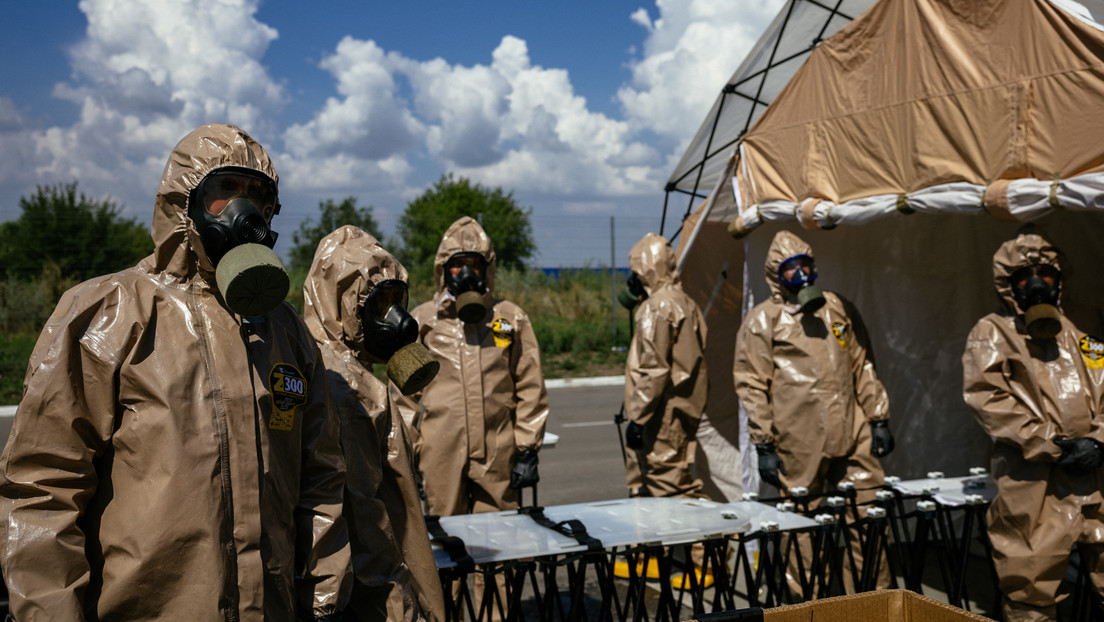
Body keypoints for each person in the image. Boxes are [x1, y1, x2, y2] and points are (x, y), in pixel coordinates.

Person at [0, 124, 351, 620]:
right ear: (182, 201)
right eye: (226, 190)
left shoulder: (287, 333)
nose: (243, 211)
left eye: (257, 196)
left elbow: (321, 479)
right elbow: (43, 487)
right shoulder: (109, 314)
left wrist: (325, 600)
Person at [733, 229, 893, 593]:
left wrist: (878, 416)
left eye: (807, 265)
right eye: (791, 269)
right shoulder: (763, 321)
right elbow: (752, 384)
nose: (802, 275)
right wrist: (764, 445)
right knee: (801, 525)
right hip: (799, 439)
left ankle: (875, 602)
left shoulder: (836, 308)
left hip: (853, 432)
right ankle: (812, 604)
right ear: (776, 274)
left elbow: (862, 364)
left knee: (866, 516)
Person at [303, 225, 447, 622]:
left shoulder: (342, 370)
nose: (398, 320)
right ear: (343, 303)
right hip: (365, 592)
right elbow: (366, 517)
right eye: (377, 304)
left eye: (395, 301)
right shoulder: (345, 386)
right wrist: (399, 603)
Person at [962, 226, 1104, 622]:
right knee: (1031, 591)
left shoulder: (1081, 329)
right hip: (1035, 482)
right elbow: (988, 400)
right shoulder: (992, 333)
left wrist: (1099, 441)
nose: (1037, 284)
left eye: (1046, 275)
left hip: (1097, 478)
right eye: (1024, 277)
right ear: (1008, 285)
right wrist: (1053, 445)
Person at [393, 216, 549, 518]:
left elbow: (531, 385)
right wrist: (409, 453)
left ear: (486, 267)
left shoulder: (509, 318)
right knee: (448, 538)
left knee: (502, 536)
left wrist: (527, 448)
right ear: (443, 268)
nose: (465, 272)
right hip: (440, 451)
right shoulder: (423, 321)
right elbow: (403, 397)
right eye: (456, 263)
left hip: (498, 450)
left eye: (473, 264)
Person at [616, 232, 710, 586]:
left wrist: (638, 417)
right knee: (650, 487)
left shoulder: (655, 308)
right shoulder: (687, 302)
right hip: (680, 411)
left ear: (645, 270)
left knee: (673, 490)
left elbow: (653, 369)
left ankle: (705, 560)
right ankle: (651, 556)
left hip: (660, 415)